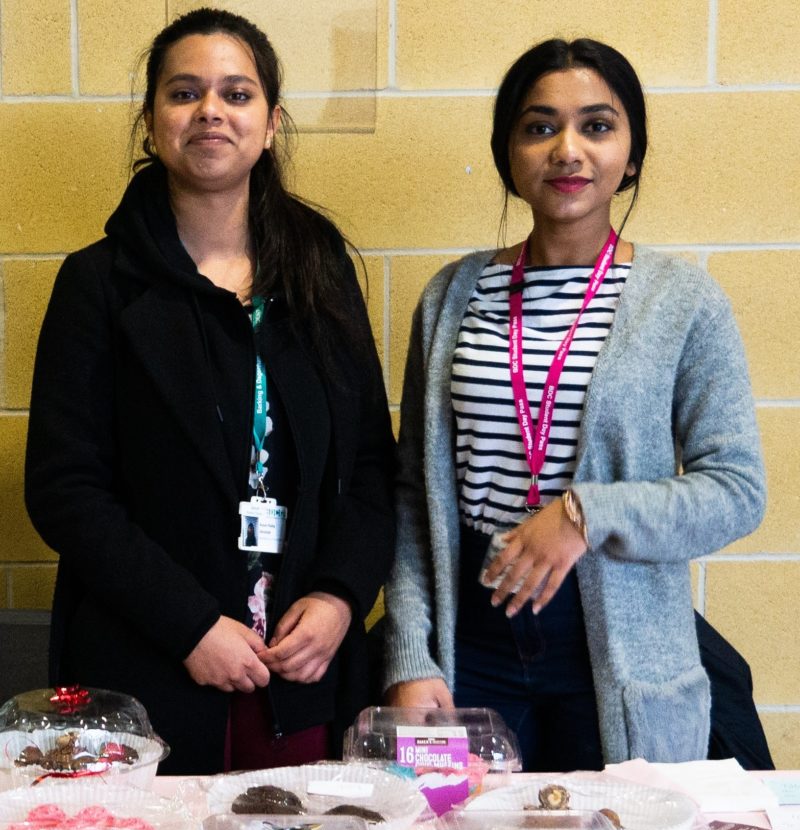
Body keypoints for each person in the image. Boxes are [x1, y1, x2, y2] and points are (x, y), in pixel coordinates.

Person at [25, 7, 395, 775]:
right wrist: (191, 625)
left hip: (301, 671)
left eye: (236, 93)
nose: (210, 112)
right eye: (184, 92)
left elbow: (369, 464)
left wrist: (338, 597)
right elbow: (66, 490)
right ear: (153, 120)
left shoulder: (319, 269)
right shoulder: (98, 284)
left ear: (271, 121)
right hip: (150, 668)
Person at [383, 38, 765, 771]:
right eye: (539, 127)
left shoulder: (682, 302)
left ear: (633, 153)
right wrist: (408, 650)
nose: (567, 150)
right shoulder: (450, 296)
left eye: (596, 125)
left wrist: (586, 515)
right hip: (472, 644)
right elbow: (411, 497)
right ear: (508, 152)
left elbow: (738, 490)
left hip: (617, 652)